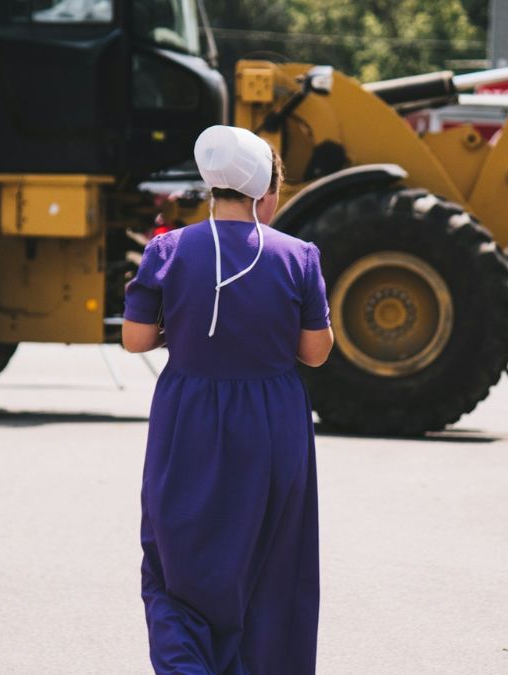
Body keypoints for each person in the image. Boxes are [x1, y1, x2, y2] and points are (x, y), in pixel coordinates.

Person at [122, 125, 334, 674]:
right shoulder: (298, 256)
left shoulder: (168, 249)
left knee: (175, 558)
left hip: (189, 414)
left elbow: (136, 339)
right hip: (273, 419)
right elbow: (315, 353)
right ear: (266, 190)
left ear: (212, 188)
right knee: (272, 563)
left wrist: (180, 328)